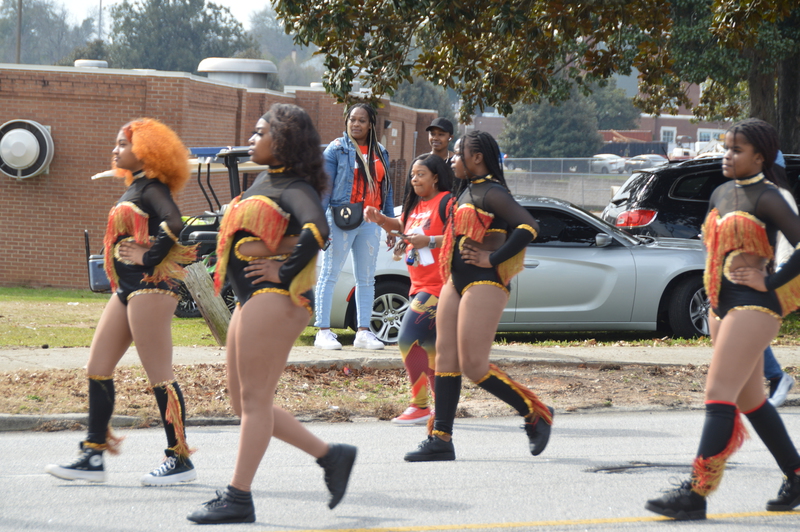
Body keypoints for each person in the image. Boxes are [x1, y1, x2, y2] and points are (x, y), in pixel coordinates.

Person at [187, 104, 356, 524]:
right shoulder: (266, 180)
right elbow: (280, 233)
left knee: (254, 401)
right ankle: (331, 456)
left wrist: (283, 269)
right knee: (243, 403)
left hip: (276, 297)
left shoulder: (294, 186)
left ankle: (238, 497)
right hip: (253, 300)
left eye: (259, 132)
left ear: (282, 141)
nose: (251, 139)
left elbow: (317, 229)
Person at [645, 118, 800, 520]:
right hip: (720, 307)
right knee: (751, 401)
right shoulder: (719, 192)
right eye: (725, 147)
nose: (726, 155)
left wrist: (771, 282)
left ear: (759, 157)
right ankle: (797, 474)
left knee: (718, 393)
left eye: (736, 150)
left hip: (754, 307)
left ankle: (696, 493)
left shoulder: (769, 197)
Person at [45, 118, 198, 485]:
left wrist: (150, 256)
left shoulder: (153, 188)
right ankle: (93, 455)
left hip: (151, 288)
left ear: (145, 151)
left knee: (160, 375)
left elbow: (175, 222)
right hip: (126, 289)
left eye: (122, 144)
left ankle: (180, 459)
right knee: (97, 367)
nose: (115, 150)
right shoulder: (136, 188)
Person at [403, 130, 554, 462]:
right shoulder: (466, 191)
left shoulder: (493, 192)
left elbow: (529, 226)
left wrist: (492, 259)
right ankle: (441, 439)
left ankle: (535, 412)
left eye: (459, 153)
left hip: (485, 282)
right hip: (455, 282)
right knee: (445, 359)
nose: (453, 159)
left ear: (477, 158)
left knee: (473, 365)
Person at [365, 154, 454, 424]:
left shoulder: (447, 201)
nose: (414, 179)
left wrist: (430, 240)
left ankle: (420, 406)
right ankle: (442, 409)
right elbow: (400, 226)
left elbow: (459, 237)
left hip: (440, 287)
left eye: (421, 174)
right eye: (412, 175)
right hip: (418, 285)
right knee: (428, 348)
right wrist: (379, 218)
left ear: (435, 177)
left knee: (407, 338)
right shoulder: (415, 205)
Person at [314, 103, 394, 350]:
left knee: (367, 278)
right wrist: (319, 224)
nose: (356, 124)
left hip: (371, 221)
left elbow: (386, 190)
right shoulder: (337, 149)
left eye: (361, 120)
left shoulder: (381, 152)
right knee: (330, 273)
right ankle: (323, 332)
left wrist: (390, 224)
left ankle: (363, 332)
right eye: (352, 119)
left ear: (371, 125)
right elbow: (325, 189)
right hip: (342, 218)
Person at [763, 151, 797, 407]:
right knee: (751, 330)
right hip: (767, 273)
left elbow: (790, 241)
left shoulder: (780, 196)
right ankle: (774, 378)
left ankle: (776, 377)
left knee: (750, 330)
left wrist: (777, 277)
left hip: (778, 273)